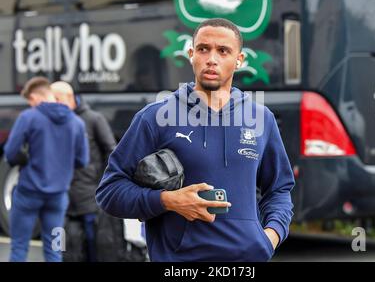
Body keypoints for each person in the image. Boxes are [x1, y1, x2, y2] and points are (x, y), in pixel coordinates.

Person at [96, 18, 295, 261]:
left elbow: (280, 189)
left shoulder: (261, 118)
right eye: (203, 49)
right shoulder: (155, 117)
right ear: (191, 55)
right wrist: (168, 200)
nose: (212, 59)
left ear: (239, 60)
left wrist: (270, 238)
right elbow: (109, 192)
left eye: (223, 51)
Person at [4, 77, 89, 262]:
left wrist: (24, 159)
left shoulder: (29, 117)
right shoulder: (77, 123)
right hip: (58, 198)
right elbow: (83, 160)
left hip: (28, 193)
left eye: (30, 101)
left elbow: (10, 152)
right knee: (54, 251)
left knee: (19, 246)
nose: (30, 105)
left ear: (36, 96)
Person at [50, 81, 116, 262]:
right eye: (51, 100)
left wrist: (102, 182)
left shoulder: (94, 119)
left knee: (93, 247)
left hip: (89, 199)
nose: (54, 103)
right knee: (61, 249)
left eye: (57, 99)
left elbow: (112, 152)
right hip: (61, 200)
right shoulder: (52, 122)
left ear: (70, 97)